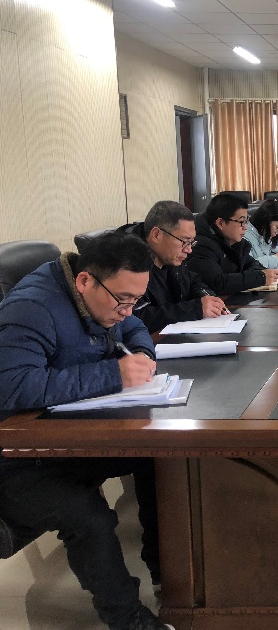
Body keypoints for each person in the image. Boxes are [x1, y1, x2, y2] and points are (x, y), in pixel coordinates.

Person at [0, 233, 173, 630]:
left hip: (65, 438)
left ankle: (166, 573)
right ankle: (128, 621)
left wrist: (142, 353)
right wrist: (112, 374)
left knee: (161, 457)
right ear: (84, 281)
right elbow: (10, 386)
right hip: (17, 457)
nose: (127, 311)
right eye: (122, 301)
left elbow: (135, 326)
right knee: (88, 516)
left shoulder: (105, 299)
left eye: (136, 300)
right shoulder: (31, 308)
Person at [117, 201, 227, 333]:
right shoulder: (126, 262)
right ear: (156, 235)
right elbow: (133, 317)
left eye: (191, 242)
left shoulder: (170, 257)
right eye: (184, 241)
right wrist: (195, 309)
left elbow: (193, 281)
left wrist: (207, 298)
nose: (189, 250)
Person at [186, 193, 278, 295]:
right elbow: (217, 283)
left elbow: (253, 265)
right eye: (241, 222)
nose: (245, 227)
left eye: (246, 221)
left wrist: (258, 275)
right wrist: (259, 277)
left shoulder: (233, 241)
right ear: (220, 223)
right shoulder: (201, 245)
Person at [244, 199, 278, 267]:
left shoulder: (265, 236)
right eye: (277, 227)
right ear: (265, 221)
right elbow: (249, 266)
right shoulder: (244, 235)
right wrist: (276, 260)